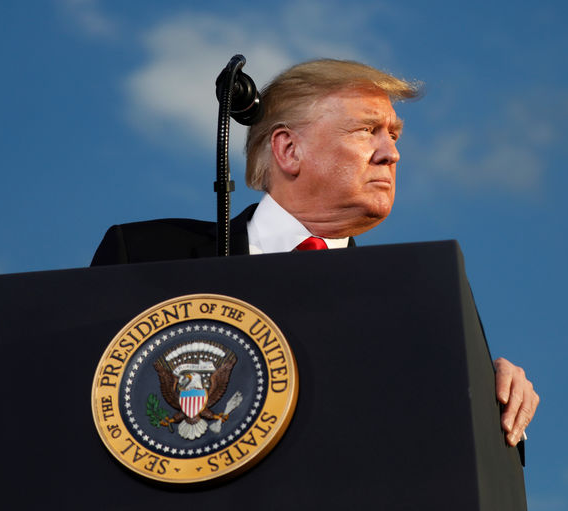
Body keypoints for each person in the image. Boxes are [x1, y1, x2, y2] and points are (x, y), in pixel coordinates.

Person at [91, 59, 539, 446]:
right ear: (288, 149)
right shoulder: (146, 256)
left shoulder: (420, 305)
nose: (391, 154)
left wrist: (487, 396)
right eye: (368, 130)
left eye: (394, 135)